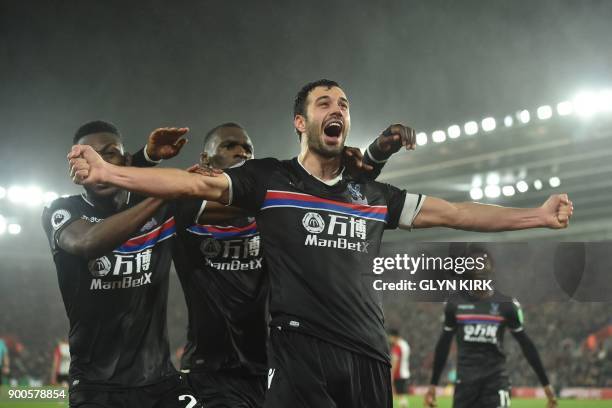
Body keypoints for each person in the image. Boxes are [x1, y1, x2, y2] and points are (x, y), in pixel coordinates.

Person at [67, 79, 573, 407]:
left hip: (362, 356)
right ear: (300, 121)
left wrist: (537, 215)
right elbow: (191, 187)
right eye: (323, 102)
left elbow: (457, 212)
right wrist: (114, 167)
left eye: (344, 103)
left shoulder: (369, 194)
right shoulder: (266, 185)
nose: (337, 108)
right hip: (277, 359)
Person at [131, 121, 404, 407]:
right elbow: (128, 198)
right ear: (205, 159)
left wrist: (373, 156)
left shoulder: (275, 213)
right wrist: (146, 158)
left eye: (247, 148)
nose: (241, 153)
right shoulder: (185, 210)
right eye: (229, 146)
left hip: (277, 364)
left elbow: (339, 197)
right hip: (212, 370)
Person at [42, 121, 202, 408]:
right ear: (76, 168)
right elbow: (90, 242)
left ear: (126, 162)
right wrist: (165, 190)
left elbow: (233, 207)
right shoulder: (62, 210)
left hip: (160, 382)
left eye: (110, 154)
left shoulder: (159, 207)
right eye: (90, 156)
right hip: (96, 386)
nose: (99, 163)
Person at [424, 244, 558, 408]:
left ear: (491, 269)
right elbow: (443, 344)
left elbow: (526, 344)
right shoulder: (454, 304)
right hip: (466, 384)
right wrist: (433, 385)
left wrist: (546, 385)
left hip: (496, 382)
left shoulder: (507, 305)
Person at [389, 329, 411, 408]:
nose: (390, 339)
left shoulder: (397, 346)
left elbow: (395, 360)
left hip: (398, 374)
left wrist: (391, 374)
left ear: (394, 336)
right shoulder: (405, 344)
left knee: (398, 395)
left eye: (390, 337)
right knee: (401, 395)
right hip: (405, 372)